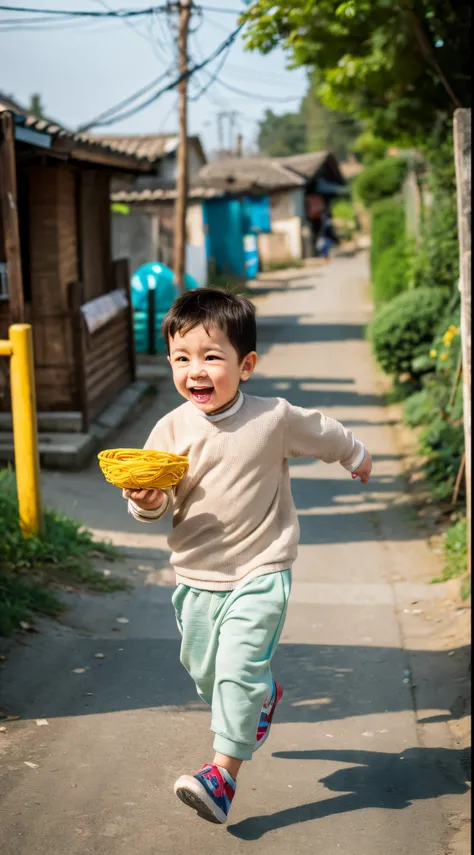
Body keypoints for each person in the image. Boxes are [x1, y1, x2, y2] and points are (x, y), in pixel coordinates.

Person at [124, 288, 372, 825]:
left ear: (246, 364)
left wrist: (355, 454)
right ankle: (259, 702)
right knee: (206, 671)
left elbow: (321, 431)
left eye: (212, 357)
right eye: (182, 359)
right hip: (195, 576)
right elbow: (156, 501)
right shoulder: (168, 432)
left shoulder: (272, 418)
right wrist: (146, 502)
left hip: (262, 569)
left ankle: (221, 776)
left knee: (237, 670)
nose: (196, 371)